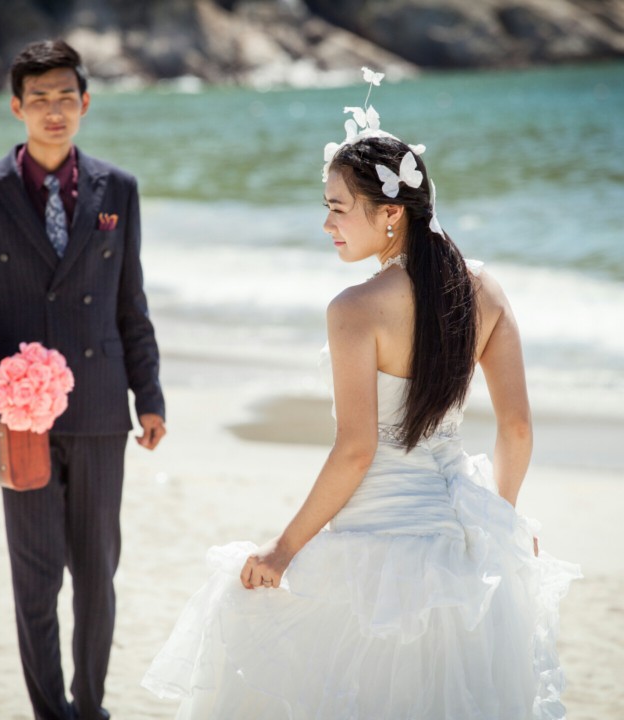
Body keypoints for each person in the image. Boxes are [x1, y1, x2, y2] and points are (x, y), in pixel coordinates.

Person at [141, 69, 579, 719]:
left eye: (338, 207)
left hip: (379, 541)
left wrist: (282, 550)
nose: (326, 223)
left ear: (391, 213)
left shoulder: (355, 309)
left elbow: (356, 449)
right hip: (465, 541)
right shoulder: (484, 290)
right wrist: (501, 526)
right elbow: (516, 428)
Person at [0, 39, 165, 720]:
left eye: (66, 96)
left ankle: (90, 707)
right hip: (18, 418)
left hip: (101, 409)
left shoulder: (118, 190)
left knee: (96, 573)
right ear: (17, 107)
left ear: (85, 102)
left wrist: (149, 396)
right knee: (36, 578)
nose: (54, 110)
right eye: (39, 98)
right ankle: (49, 712)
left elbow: (131, 305)